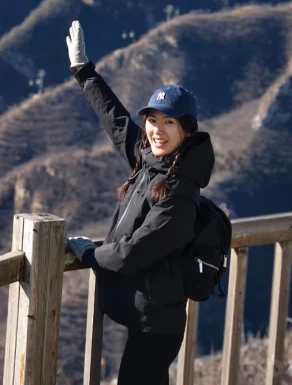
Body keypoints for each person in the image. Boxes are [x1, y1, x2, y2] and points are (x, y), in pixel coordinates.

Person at [64, 20, 215, 385]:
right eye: (152, 120)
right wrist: (84, 72)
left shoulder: (180, 195)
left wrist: (87, 254)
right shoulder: (149, 162)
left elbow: (131, 253)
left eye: (169, 123)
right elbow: (117, 123)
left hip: (157, 328)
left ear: (187, 132)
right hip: (145, 318)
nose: (156, 130)